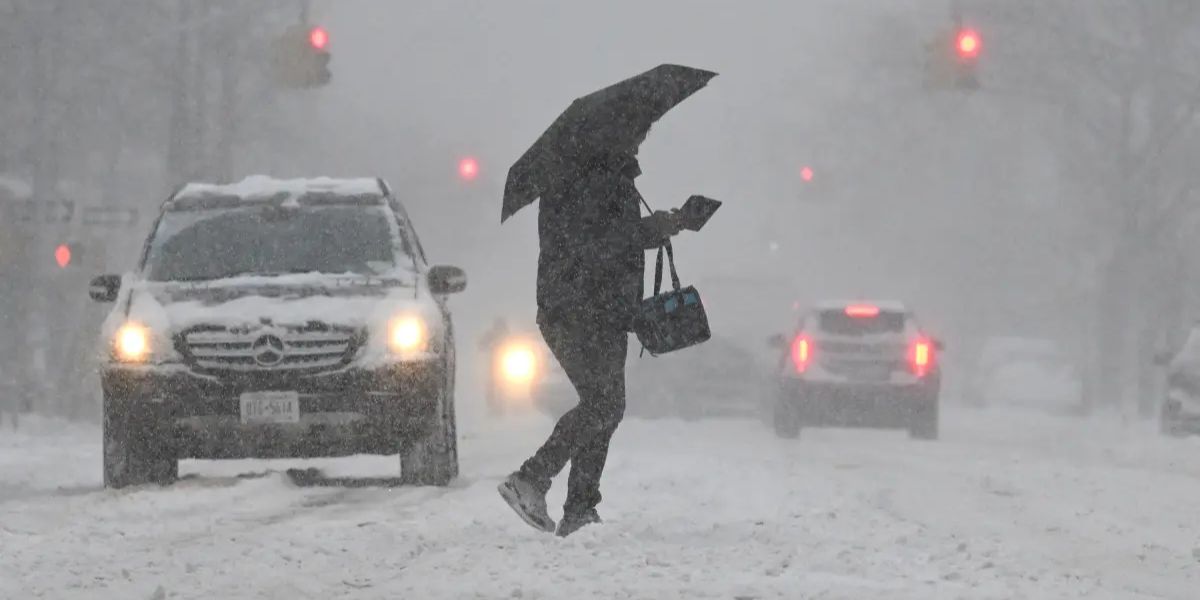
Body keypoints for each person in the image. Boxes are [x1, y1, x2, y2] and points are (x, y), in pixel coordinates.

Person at [498, 144, 683, 537]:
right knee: (604, 404)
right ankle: (532, 478)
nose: (637, 142)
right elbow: (599, 244)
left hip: (598, 312)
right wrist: (653, 229)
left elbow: (612, 240)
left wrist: (664, 224)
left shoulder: (601, 175)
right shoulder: (585, 178)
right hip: (579, 312)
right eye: (634, 136)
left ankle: (579, 508)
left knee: (605, 406)